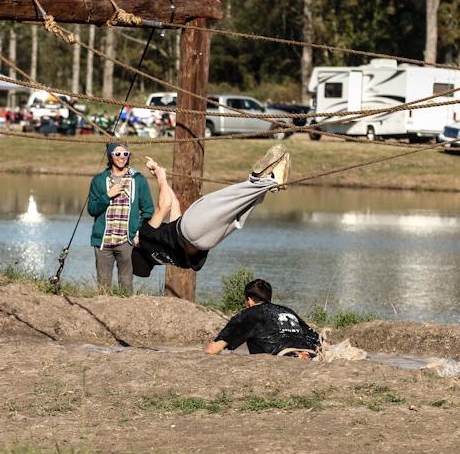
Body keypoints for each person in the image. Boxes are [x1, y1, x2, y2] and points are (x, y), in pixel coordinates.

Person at [131, 144, 290, 278]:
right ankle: (258, 179)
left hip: (206, 242)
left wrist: (161, 176)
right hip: (189, 227)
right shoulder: (145, 237)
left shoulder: (166, 259)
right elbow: (165, 205)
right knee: (225, 199)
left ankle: (269, 181)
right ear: (137, 249)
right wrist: (160, 176)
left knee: (237, 217)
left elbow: (174, 205)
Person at [86, 141, 154, 294]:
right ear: (111, 156)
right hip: (104, 242)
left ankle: (127, 315)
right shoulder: (99, 180)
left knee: (126, 287)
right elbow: (92, 209)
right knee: (103, 289)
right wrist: (107, 196)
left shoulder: (138, 180)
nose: (122, 157)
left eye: (125, 153)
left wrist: (137, 233)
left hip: (126, 242)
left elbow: (148, 210)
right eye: (118, 154)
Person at [205, 279, 321, 359]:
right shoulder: (287, 311)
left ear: (249, 301)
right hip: (310, 356)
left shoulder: (250, 313)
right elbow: (319, 341)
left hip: (285, 358)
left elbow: (212, 350)